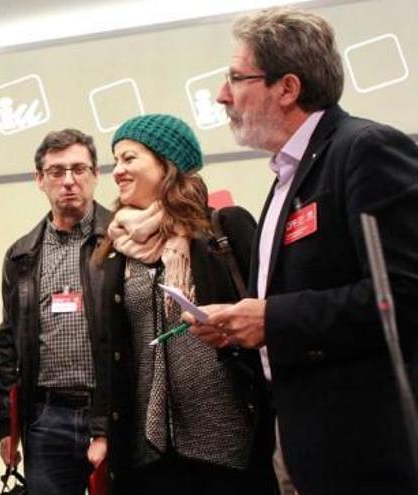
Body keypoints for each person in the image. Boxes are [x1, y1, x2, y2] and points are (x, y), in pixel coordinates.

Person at [188, 7, 418, 494]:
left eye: (235, 78)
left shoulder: (366, 150)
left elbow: (405, 294)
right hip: (303, 441)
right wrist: (239, 329)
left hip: (370, 451)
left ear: (287, 88)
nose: (221, 95)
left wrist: (273, 319)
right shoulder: (287, 177)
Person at [94, 114, 276, 494]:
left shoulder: (224, 229)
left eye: (130, 158)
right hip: (150, 454)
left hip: (228, 445)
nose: (118, 171)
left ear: (167, 163)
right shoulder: (116, 250)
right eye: (116, 161)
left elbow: (270, 317)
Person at [0, 129, 110, 494]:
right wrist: (6, 426)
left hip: (113, 414)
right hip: (46, 418)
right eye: (57, 171)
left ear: (95, 174)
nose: (69, 181)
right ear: (39, 179)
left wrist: (109, 423)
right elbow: (8, 342)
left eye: (79, 169)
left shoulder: (122, 239)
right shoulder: (22, 255)